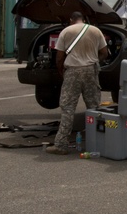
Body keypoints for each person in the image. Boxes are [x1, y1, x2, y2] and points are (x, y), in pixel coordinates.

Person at [45, 11, 109, 155]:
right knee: (94, 107)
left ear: (71, 20)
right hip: (91, 71)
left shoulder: (66, 31)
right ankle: (98, 143)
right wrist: (94, 62)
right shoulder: (95, 30)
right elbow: (104, 53)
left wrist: (62, 72)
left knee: (68, 109)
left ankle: (61, 145)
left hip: (72, 71)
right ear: (83, 19)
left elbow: (59, 57)